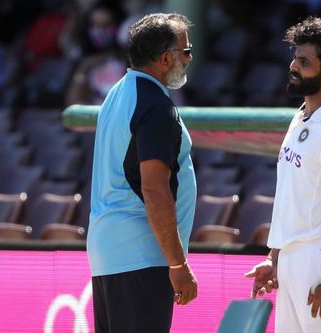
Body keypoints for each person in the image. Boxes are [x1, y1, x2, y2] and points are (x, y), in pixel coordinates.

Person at [245, 16, 321, 333]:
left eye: (304, 61)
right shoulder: (301, 116)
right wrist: (274, 258)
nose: (293, 66)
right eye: (295, 58)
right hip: (292, 257)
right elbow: (291, 196)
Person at [87, 13, 197, 333]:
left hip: (112, 253)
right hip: (141, 257)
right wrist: (177, 264)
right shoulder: (154, 106)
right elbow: (154, 189)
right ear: (165, 59)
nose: (189, 59)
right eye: (186, 51)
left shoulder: (119, 92)